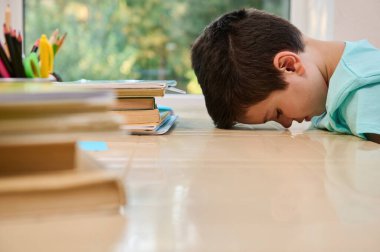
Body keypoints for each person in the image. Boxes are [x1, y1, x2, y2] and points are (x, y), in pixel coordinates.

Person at [191, 8, 380, 144]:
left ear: (289, 66)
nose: (287, 124)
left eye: (277, 112)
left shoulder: (366, 94)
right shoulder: (330, 88)